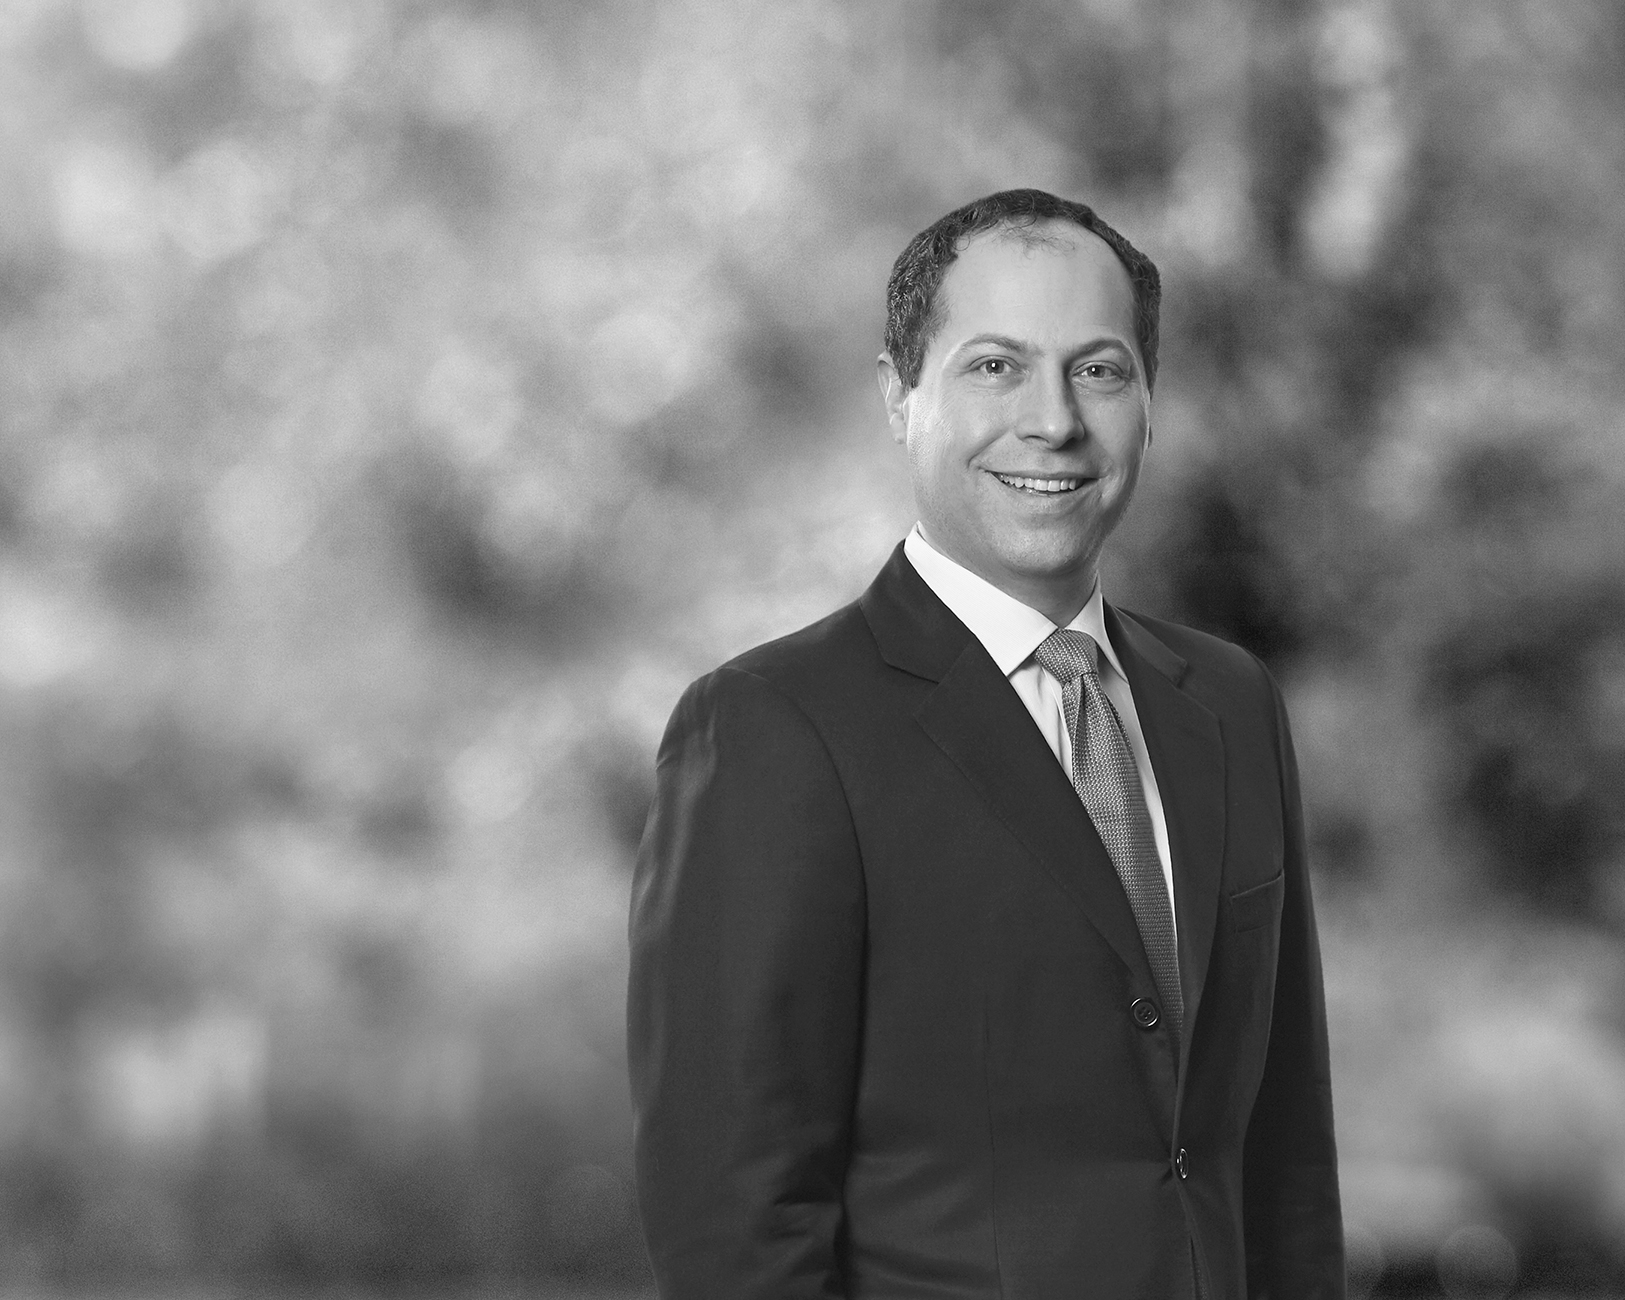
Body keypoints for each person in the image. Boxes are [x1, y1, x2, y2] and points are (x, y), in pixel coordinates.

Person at [626, 188, 1345, 1299]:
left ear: (1147, 402)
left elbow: (1283, 1153)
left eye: (1097, 369)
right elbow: (733, 1218)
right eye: (995, 366)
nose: (1052, 420)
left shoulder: (1232, 704)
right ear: (898, 394)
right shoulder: (772, 727)